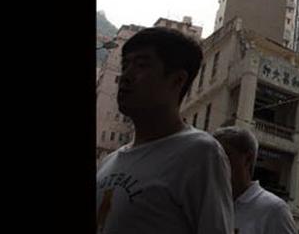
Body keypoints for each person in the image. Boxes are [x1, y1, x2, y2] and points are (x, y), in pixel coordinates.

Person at [95, 27, 234, 234]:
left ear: (177, 80)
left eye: (141, 65)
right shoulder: (108, 162)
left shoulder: (200, 153)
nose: (126, 76)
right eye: (125, 65)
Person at [213, 126, 298, 234]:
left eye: (224, 155)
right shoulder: (211, 204)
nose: (215, 162)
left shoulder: (274, 210)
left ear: (247, 159)